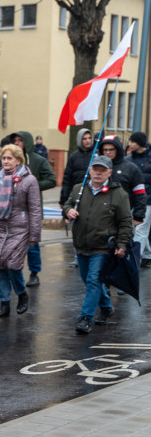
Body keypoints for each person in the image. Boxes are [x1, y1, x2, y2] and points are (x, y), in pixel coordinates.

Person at [63, 154, 132, 333]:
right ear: (90, 170)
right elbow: (67, 205)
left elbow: (125, 222)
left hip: (102, 247)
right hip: (81, 245)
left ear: (109, 172)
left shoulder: (119, 194)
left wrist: (122, 244)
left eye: (103, 170)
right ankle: (107, 306)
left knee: (94, 280)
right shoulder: (79, 189)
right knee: (89, 280)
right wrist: (68, 210)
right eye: (95, 169)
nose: (98, 173)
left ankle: (85, 318)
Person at [0, 144, 42, 318]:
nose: (5, 161)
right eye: (4, 158)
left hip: (19, 229)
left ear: (18, 160)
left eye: (9, 158)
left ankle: (22, 295)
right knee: (0, 266)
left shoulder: (29, 180)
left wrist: (35, 235)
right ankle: (4, 303)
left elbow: (35, 209)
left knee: (13, 266)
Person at [9, 131, 55, 287]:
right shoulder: (10, 160)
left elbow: (51, 180)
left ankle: (34, 273)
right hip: (12, 209)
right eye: (15, 140)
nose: (16, 143)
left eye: (20, 141)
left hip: (31, 209)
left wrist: (32, 186)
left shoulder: (38, 160)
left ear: (27, 143)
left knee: (32, 245)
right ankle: (10, 272)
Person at [98, 135, 146, 241]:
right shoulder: (96, 167)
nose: (108, 152)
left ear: (118, 150)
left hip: (123, 215)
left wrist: (138, 216)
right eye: (105, 150)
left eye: (111, 149)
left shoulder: (131, 168)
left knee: (123, 246)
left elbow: (140, 193)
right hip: (100, 214)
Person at [126, 131, 151, 266]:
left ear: (140, 144)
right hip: (132, 199)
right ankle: (147, 254)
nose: (129, 144)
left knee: (141, 228)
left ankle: (135, 259)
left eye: (132, 142)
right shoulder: (128, 160)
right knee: (136, 228)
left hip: (148, 200)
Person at [60, 127, 96, 208]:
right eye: (84, 139)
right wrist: (63, 198)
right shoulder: (74, 156)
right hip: (77, 193)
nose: (88, 141)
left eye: (89, 138)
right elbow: (67, 178)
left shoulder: (96, 155)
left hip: (93, 193)